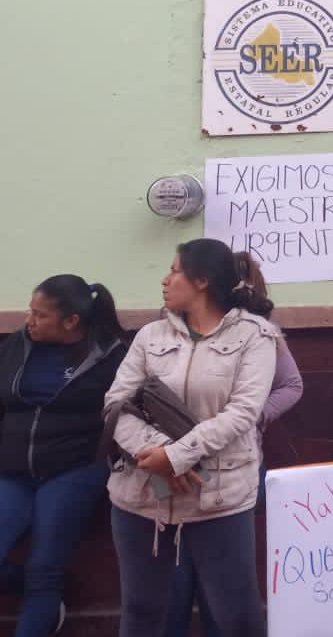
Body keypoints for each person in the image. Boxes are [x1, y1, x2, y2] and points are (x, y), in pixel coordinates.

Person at [104, 239, 277, 637]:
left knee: (236, 615)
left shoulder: (255, 337)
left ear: (202, 280)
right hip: (142, 493)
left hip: (218, 498)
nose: (165, 280)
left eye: (174, 270)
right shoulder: (151, 335)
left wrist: (179, 457)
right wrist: (162, 456)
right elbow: (116, 403)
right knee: (142, 613)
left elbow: (242, 413)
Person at [164, 252, 302, 637]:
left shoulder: (260, 335)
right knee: (173, 559)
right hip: (174, 461)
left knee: (221, 571)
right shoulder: (168, 332)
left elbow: (291, 386)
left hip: (234, 464)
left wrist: (254, 416)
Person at [0, 276, 128, 636]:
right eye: (30, 311)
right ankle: (41, 591)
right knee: (33, 575)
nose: (30, 320)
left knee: (45, 568)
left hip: (74, 470)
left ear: (71, 321)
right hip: (12, 471)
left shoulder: (110, 355)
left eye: (40, 315)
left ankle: (43, 598)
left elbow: (127, 414)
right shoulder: (17, 346)